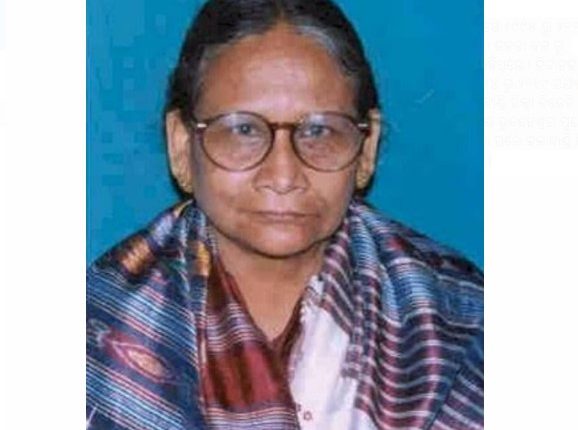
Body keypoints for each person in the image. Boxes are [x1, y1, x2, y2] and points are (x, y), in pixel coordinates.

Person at [86, 0, 484, 429]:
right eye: (243, 129)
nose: (283, 175)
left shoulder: (460, 326)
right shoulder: (97, 332)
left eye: (319, 131)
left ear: (365, 148)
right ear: (182, 145)